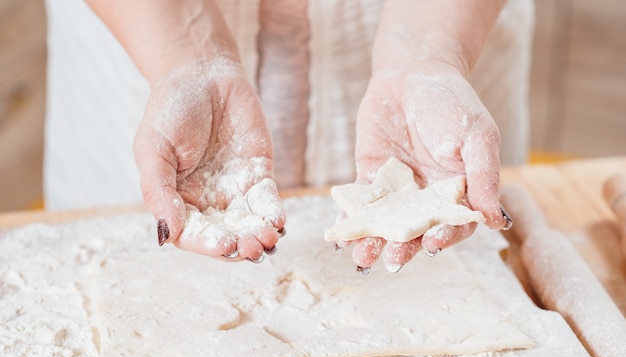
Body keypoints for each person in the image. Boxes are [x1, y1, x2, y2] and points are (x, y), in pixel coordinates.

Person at [43, 0, 534, 272]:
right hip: (148, 34)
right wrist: (186, 56)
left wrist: (428, 54)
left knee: (462, 290)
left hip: (444, 27)